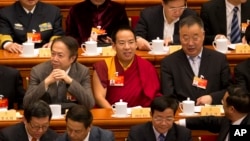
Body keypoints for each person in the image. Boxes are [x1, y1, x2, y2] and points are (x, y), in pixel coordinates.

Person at [161, 15, 231, 105]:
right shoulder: (169, 63)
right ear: (179, 37)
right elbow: (168, 96)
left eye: (195, 38)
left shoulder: (219, 59)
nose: (190, 43)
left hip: (212, 114)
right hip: (183, 114)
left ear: (203, 36)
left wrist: (212, 98)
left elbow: (229, 90)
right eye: (185, 38)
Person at [92, 25, 162, 108]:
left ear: (136, 44)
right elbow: (99, 97)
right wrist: (114, 113)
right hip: (112, 116)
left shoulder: (146, 67)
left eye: (131, 42)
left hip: (140, 116)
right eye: (122, 43)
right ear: (114, 46)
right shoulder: (103, 66)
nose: (127, 47)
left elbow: (154, 97)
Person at [24, 36, 94, 109]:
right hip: (45, 116)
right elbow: (27, 103)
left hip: (72, 116)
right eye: (53, 54)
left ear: (72, 58)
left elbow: (89, 103)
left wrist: (70, 81)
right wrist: (46, 82)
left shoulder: (82, 71)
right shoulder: (38, 71)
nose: (54, 59)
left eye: (60, 55)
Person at [177, 85, 250, 141]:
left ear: (231, 109)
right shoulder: (229, 119)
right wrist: (180, 122)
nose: (222, 104)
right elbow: (207, 121)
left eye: (223, 102)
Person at [0, 0, 64, 53]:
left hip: (45, 54)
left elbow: (58, 33)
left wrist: (54, 43)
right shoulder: (6, 13)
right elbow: (5, 34)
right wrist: (8, 44)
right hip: (18, 53)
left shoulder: (53, 11)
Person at [127, 95, 192, 141]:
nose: (163, 123)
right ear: (151, 115)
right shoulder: (137, 133)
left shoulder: (183, 134)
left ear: (174, 117)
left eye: (168, 119)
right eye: (159, 118)